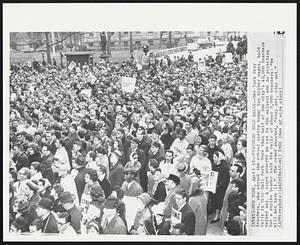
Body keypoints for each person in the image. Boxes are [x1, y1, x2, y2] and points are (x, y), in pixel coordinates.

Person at [210, 151, 230, 223]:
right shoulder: (213, 165)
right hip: (213, 186)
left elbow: (226, 179)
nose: (213, 159)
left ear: (219, 158)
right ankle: (215, 213)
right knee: (214, 200)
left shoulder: (224, 166)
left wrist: (219, 185)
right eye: (213, 157)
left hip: (220, 188)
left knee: (219, 201)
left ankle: (217, 215)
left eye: (215, 157)